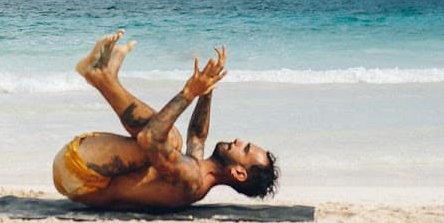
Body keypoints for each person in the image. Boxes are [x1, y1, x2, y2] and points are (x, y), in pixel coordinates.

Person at [52, 30, 278, 211]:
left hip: (83, 174)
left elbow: (150, 138)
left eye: (245, 148)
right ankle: (106, 77)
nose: (239, 140)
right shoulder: (198, 171)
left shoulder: (192, 181)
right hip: (83, 170)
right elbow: (198, 135)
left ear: (238, 173)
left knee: (170, 138)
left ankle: (101, 77)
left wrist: (189, 92)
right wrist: (206, 90)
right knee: (176, 141)